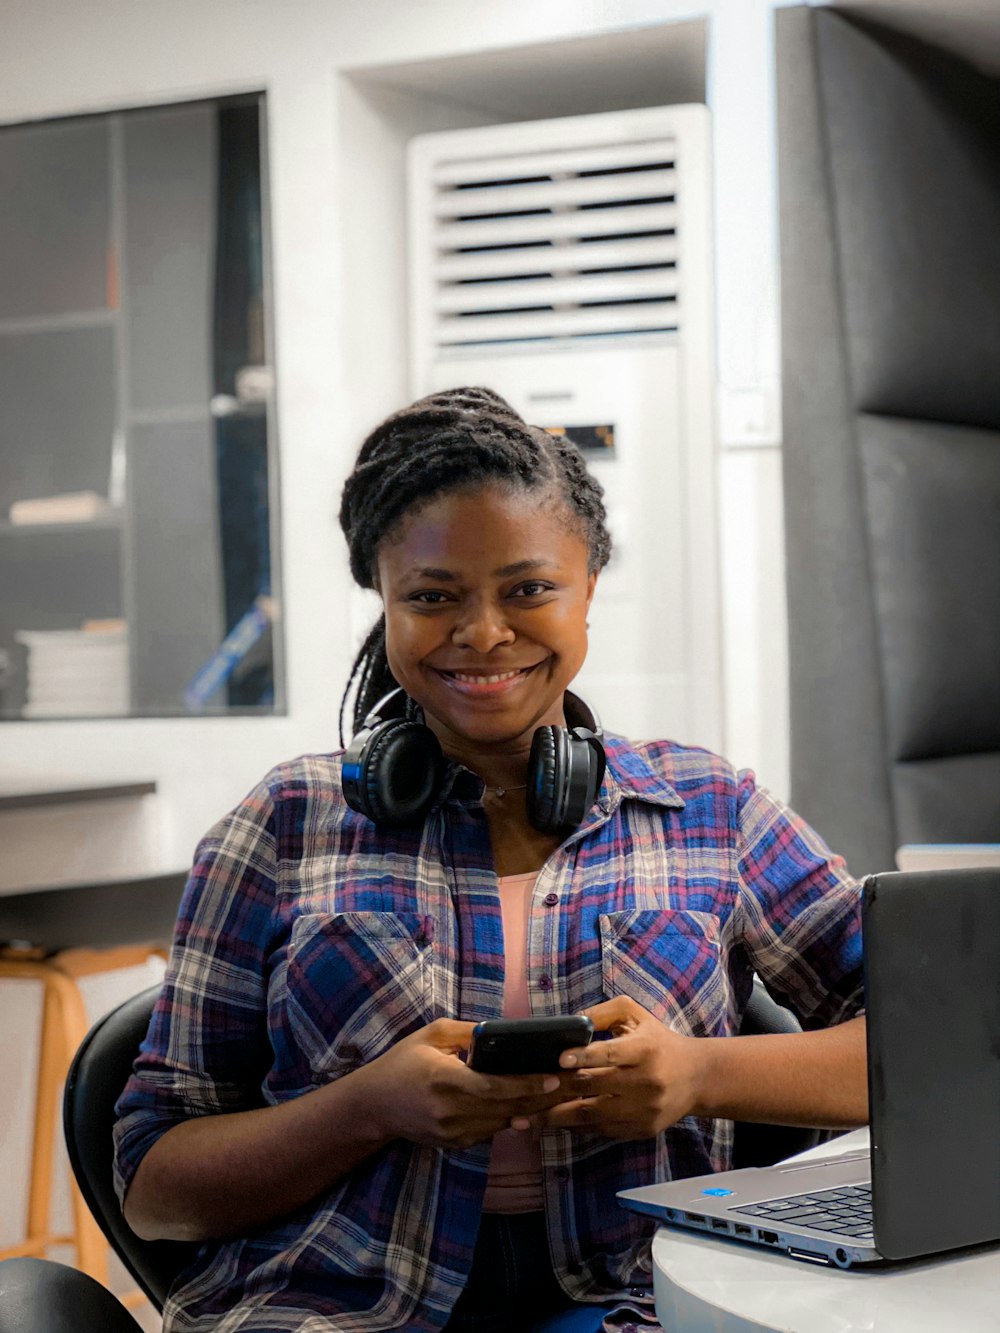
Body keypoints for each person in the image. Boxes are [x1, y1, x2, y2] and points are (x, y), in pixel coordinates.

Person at [113, 387, 867, 1333]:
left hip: (642, 1303)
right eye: (432, 597)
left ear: (588, 584)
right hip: (327, 1306)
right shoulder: (283, 823)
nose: (482, 633)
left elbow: (925, 1044)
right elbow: (153, 1183)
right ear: (384, 605)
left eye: (527, 588)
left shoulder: (710, 808)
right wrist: (367, 1107)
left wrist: (700, 1072)